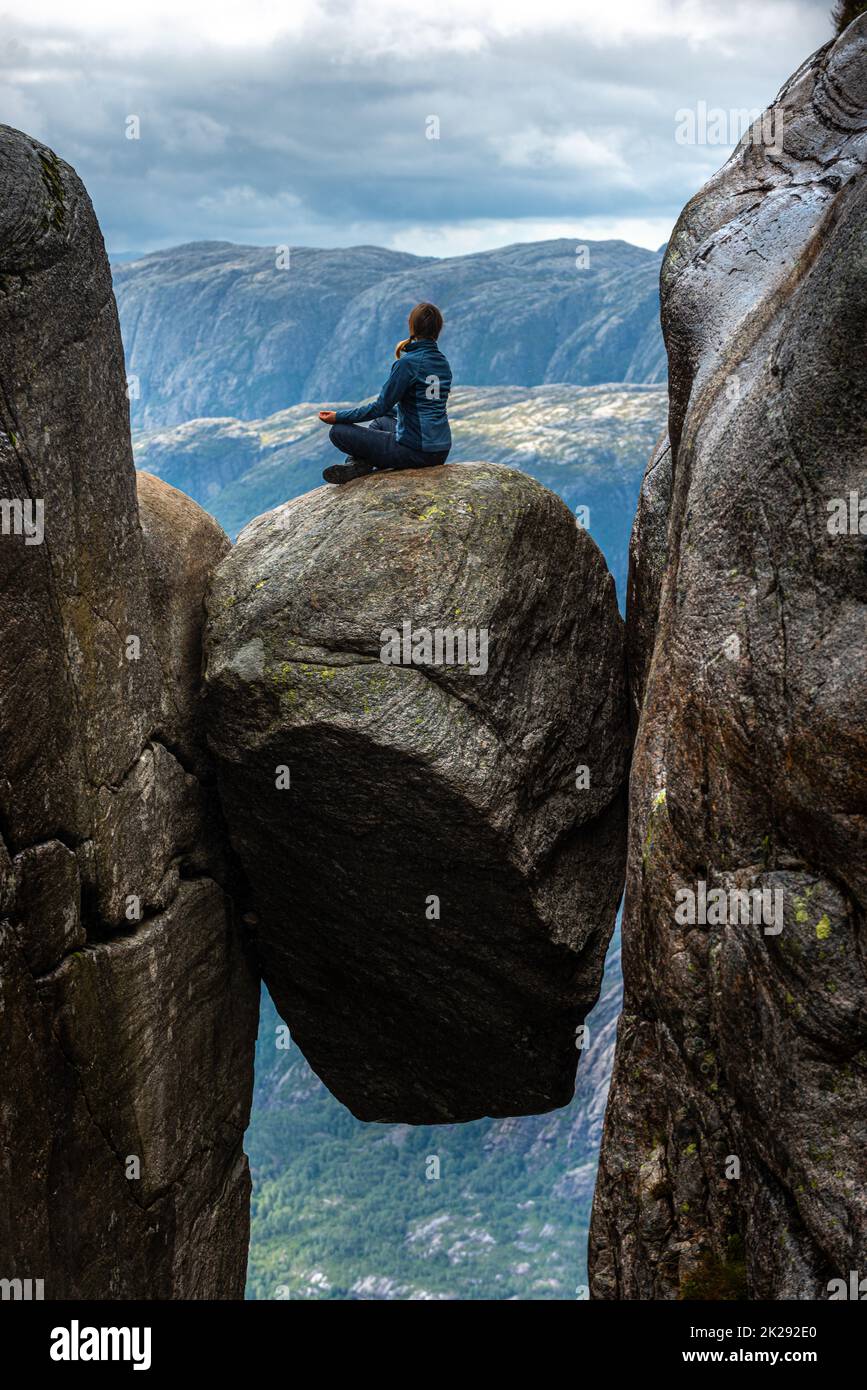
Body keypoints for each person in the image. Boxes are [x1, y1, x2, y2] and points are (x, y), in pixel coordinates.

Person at [318, 302, 452, 484]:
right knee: (382, 422)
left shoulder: (407, 364)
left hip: (415, 451)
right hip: (440, 450)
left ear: (411, 326)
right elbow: (422, 409)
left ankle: (358, 464)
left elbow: (381, 406)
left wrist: (338, 417)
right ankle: (359, 464)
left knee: (339, 431)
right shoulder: (442, 363)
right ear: (438, 329)